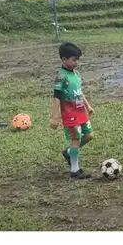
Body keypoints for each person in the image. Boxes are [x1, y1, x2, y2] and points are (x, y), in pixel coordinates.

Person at [51, 42, 94, 180]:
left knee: (89, 136)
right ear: (64, 60)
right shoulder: (61, 76)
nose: (76, 63)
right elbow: (57, 97)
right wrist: (55, 117)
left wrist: (88, 106)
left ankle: (69, 152)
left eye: (77, 60)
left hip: (80, 112)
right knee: (76, 140)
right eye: (73, 60)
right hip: (70, 114)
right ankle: (75, 171)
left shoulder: (76, 74)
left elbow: (80, 92)